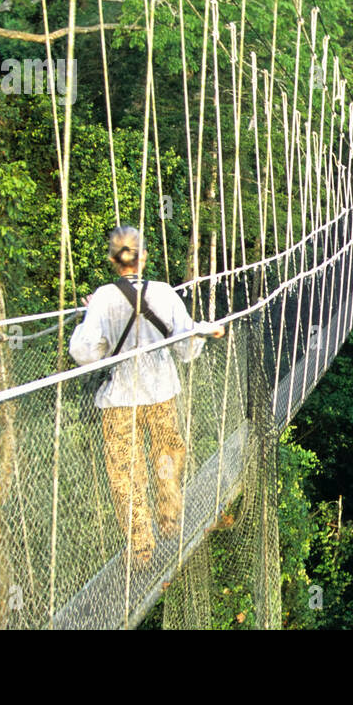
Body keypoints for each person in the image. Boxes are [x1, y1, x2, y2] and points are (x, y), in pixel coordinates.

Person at [69, 225, 224, 568]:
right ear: (145, 256)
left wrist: (91, 316)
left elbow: (84, 352)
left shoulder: (104, 298)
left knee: (126, 472)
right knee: (166, 457)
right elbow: (186, 348)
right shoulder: (166, 293)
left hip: (120, 400)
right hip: (161, 393)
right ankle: (169, 518)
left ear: (112, 260)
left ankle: (141, 547)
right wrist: (203, 330)